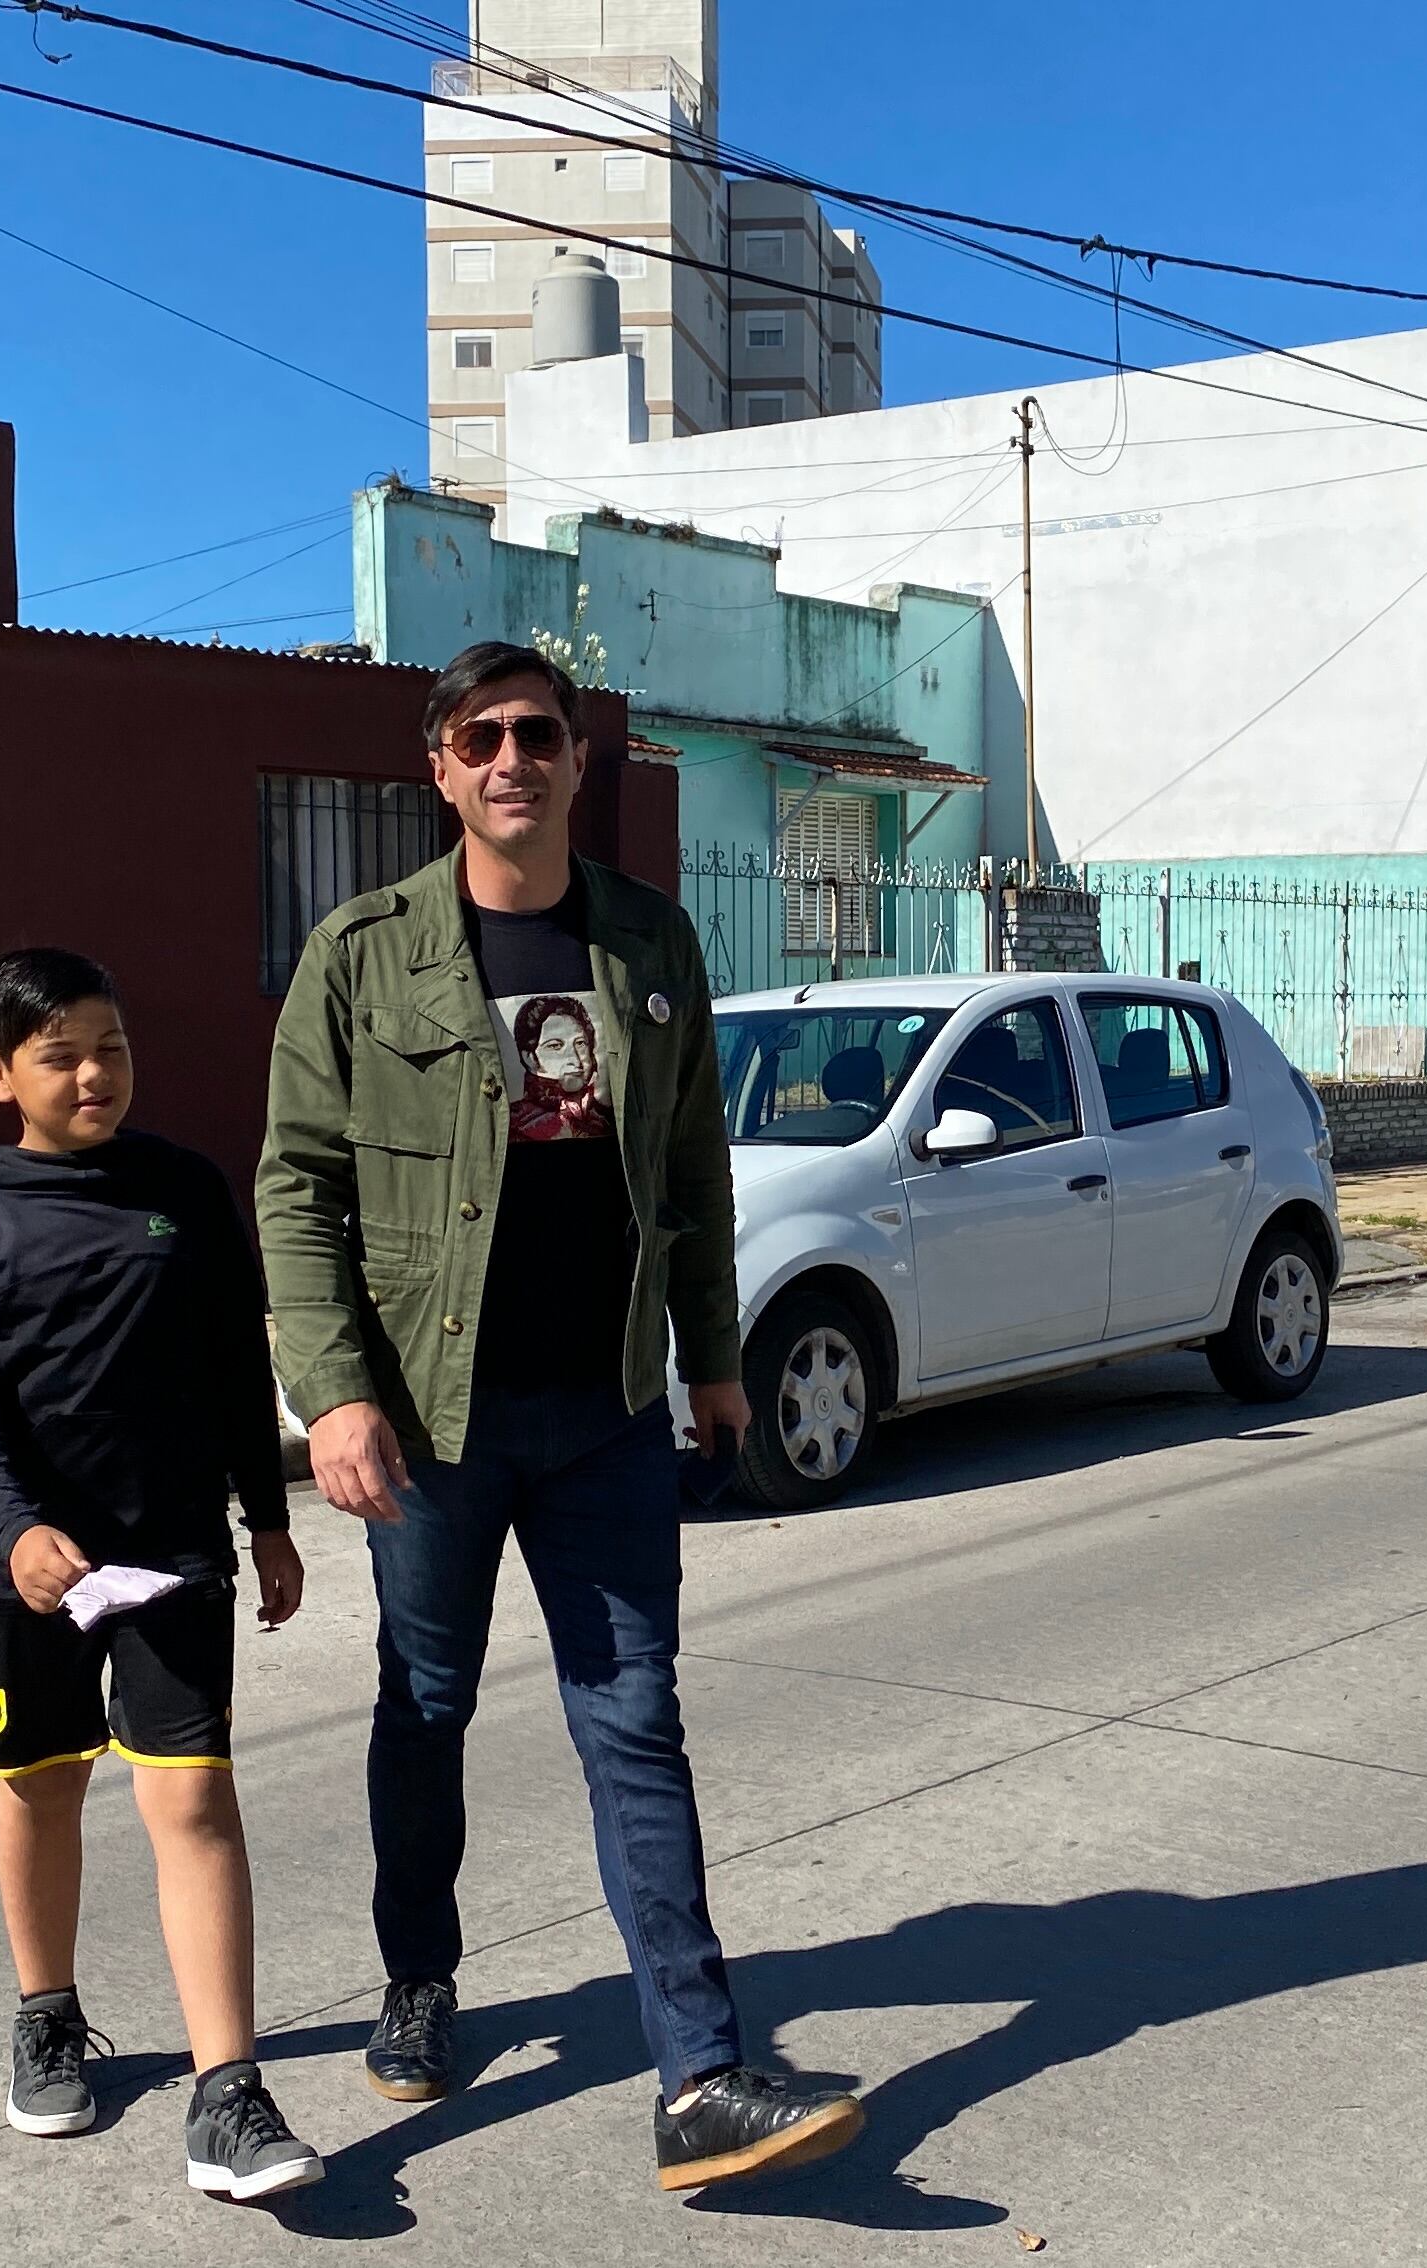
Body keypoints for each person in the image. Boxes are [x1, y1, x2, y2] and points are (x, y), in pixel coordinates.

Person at [258, 643, 866, 2193]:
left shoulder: (651, 941)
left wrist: (714, 1356)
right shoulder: (360, 952)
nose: (514, 757)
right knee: (427, 1707)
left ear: (578, 763)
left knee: (635, 1722)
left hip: (601, 1407)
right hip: (429, 1416)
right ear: (443, 767)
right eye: (484, 736)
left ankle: (702, 2072)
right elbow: (297, 1185)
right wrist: (330, 1397)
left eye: (540, 733)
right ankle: (418, 1973)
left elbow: (692, 1175)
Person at [0, 945, 323, 2204]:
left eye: (114, 1047)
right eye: (63, 1056)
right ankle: (46, 2014)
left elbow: (232, 1368)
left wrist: (266, 1515)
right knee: (40, 1788)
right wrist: (15, 1532)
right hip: (25, 1573)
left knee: (194, 1804)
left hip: (172, 1554)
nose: (97, 1074)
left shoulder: (188, 1191)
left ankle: (230, 2096)